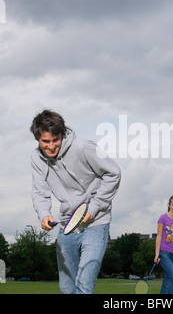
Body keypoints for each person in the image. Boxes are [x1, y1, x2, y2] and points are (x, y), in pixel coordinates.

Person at [30, 109, 121, 294]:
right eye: (45, 141)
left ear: (62, 135)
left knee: (84, 286)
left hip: (96, 224)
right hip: (66, 226)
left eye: (56, 139)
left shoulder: (83, 147)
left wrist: (94, 208)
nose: (51, 146)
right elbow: (40, 192)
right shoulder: (36, 158)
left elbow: (113, 173)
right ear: (37, 139)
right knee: (67, 289)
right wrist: (44, 214)